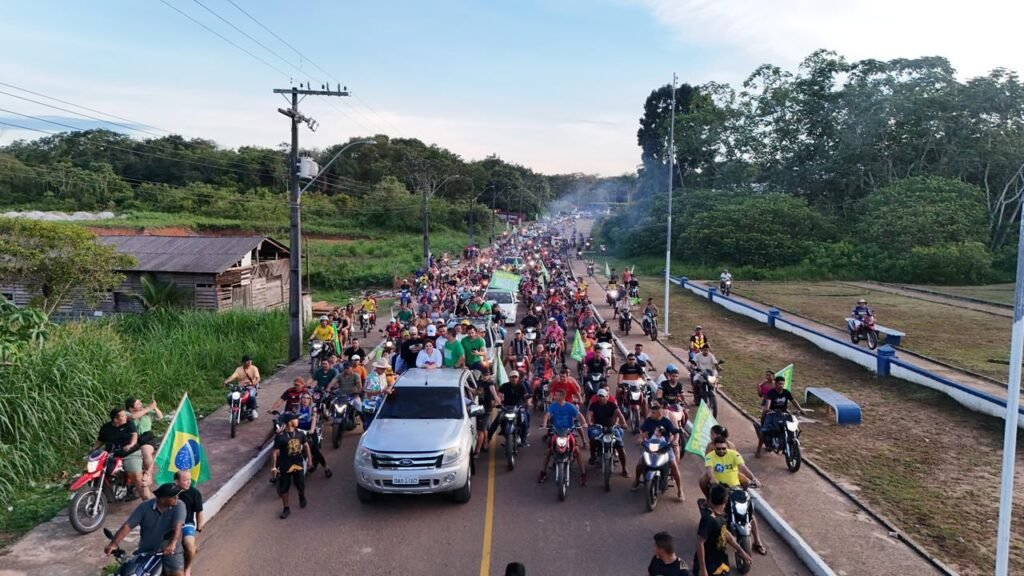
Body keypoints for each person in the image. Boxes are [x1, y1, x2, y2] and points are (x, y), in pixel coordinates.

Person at [701, 437, 765, 559]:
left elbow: (743, 468)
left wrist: (753, 479)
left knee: (750, 515)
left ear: (727, 447)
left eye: (723, 448)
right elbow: (709, 471)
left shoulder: (734, 454)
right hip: (719, 489)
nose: (721, 451)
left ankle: (757, 542)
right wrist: (713, 480)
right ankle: (707, 537)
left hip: (735, 488)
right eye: (718, 449)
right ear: (714, 447)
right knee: (714, 515)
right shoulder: (710, 456)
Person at [104, 483, 186, 575]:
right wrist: (113, 544)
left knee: (178, 574)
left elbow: (178, 526)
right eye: (174, 496)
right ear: (163, 499)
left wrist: (172, 544)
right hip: (148, 551)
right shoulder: (144, 507)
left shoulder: (179, 505)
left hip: (170, 551)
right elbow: (127, 526)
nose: (177, 498)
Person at [696, 484, 753, 576]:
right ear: (726, 500)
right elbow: (700, 542)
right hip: (709, 566)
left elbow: (725, 533)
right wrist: (703, 569)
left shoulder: (721, 517)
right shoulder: (708, 519)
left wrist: (740, 550)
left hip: (720, 563)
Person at [631, 403, 683, 501]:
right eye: (651, 412)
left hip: (665, 448)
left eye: (653, 412)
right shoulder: (648, 421)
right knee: (640, 464)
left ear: (659, 413)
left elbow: (674, 431)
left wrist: (676, 437)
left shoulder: (666, 421)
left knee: (673, 465)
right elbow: (642, 431)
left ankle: (680, 490)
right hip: (650, 447)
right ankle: (637, 480)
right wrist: (640, 439)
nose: (651, 414)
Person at [536, 389, 588, 486]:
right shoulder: (553, 406)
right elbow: (547, 415)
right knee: (549, 451)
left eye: (557, 395)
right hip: (557, 432)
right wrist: (544, 423)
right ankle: (543, 473)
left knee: (576, 451)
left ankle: (583, 474)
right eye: (555, 395)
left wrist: (584, 423)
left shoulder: (570, 407)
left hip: (568, 432)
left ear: (562, 397)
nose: (555, 397)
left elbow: (579, 415)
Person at [97, 407, 150, 500]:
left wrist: (131, 445)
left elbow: (134, 435)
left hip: (129, 453)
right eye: (123, 416)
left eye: (125, 415)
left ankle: (147, 499)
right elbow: (100, 441)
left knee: (136, 476)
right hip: (111, 454)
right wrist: (92, 450)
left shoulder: (129, 424)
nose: (126, 417)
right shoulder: (105, 428)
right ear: (115, 419)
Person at [270, 413, 312, 519]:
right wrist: (274, 467)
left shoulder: (300, 434)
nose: (298, 421)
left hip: (298, 464)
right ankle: (286, 508)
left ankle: (301, 495)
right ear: (289, 422)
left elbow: (306, 446)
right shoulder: (280, 437)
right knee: (284, 488)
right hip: (285, 466)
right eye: (296, 419)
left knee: (300, 484)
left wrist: (309, 460)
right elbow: (274, 452)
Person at [756, 375, 806, 458]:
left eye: (783, 384)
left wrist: (800, 409)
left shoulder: (786, 392)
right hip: (772, 413)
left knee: (795, 428)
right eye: (779, 384)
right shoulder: (771, 392)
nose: (781, 385)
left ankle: (789, 443)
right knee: (764, 430)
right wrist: (768, 409)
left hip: (784, 414)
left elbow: (793, 401)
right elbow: (768, 403)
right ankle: (758, 450)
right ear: (775, 384)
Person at [586, 388, 629, 474]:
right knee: (593, 439)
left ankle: (624, 468)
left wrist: (624, 423)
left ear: (607, 397)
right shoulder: (594, 405)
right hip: (598, 428)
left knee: (620, 445)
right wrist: (589, 422)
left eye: (603, 396)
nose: (601, 398)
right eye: (599, 396)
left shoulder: (612, 405)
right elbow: (589, 414)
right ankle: (593, 456)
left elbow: (619, 414)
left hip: (612, 428)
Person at [126, 397, 162, 490]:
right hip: (133, 438)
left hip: (147, 437)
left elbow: (160, 417)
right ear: (131, 408)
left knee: (146, 452)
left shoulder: (147, 413)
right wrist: (149, 408)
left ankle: (148, 475)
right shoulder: (127, 414)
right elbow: (134, 417)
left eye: (140, 403)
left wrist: (155, 407)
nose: (141, 405)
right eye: (138, 404)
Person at [487, 370, 531, 445]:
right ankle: (488, 438)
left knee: (525, 421)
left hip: (518, 407)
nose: (514, 379)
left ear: (518, 378)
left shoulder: (521, 386)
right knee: (497, 421)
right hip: (506, 407)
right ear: (509, 378)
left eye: (515, 377)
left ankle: (524, 439)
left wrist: (528, 401)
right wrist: (497, 402)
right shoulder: (505, 386)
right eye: (512, 377)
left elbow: (525, 395)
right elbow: (499, 395)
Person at [173, 471, 203, 576]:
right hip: (171, 525)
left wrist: (199, 527)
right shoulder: (170, 492)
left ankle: (187, 568)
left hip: (187, 525)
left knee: (190, 547)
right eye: (185, 480)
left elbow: (199, 511)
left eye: (189, 479)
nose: (188, 482)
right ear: (176, 481)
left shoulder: (195, 493)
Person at [296, 392, 331, 478]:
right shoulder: (297, 408)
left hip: (309, 433)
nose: (305, 400)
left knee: (315, 451)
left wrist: (311, 430)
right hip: (299, 431)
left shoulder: (313, 409)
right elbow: (293, 419)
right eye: (303, 398)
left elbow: (314, 419)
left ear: (310, 400)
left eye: (307, 398)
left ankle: (326, 467)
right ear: (301, 399)